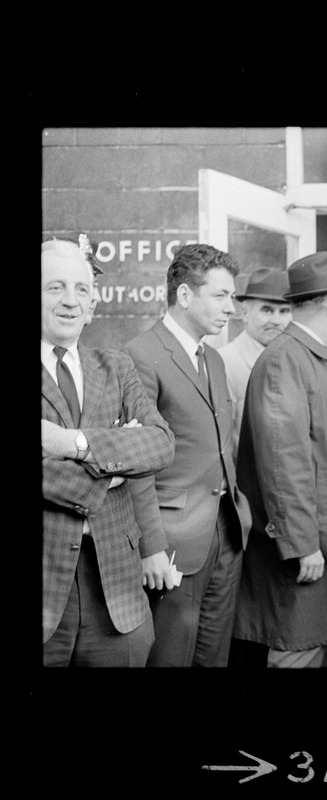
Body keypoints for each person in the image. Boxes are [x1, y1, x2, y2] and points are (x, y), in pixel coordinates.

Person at [233, 251, 327, 668]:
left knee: (318, 645)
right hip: (311, 548)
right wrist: (301, 544)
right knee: (297, 650)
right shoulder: (288, 359)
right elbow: (283, 463)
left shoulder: (312, 356)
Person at [42, 236, 175, 666]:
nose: (70, 301)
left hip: (116, 592)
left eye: (81, 290)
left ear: (94, 306)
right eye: (55, 287)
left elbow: (159, 444)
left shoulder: (115, 366)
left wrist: (71, 444)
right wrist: (118, 467)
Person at [125, 243, 252, 667]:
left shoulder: (212, 359)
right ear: (184, 295)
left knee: (213, 659)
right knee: (169, 659)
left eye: (231, 297)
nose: (231, 308)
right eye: (220, 295)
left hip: (225, 533)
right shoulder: (140, 355)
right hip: (173, 542)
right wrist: (151, 547)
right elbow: (136, 463)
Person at [216, 267, 292, 454]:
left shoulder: (292, 362)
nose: (276, 320)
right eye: (267, 310)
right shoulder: (225, 362)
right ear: (245, 313)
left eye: (283, 311)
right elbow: (223, 443)